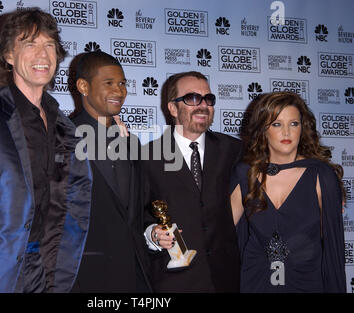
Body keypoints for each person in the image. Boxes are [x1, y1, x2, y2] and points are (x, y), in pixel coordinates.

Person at [0, 8, 92, 293]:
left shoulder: (66, 127)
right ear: (9, 55)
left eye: (49, 45)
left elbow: (73, 202)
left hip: (50, 273)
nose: (43, 55)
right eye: (29, 44)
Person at [230, 91, 346, 292]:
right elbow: (222, 234)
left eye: (294, 124)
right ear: (263, 130)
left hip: (306, 281)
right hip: (255, 281)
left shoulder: (320, 175)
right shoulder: (245, 173)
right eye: (277, 124)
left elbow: (332, 248)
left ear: (303, 128)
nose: (287, 132)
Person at [143, 71, 241, 292]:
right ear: (172, 108)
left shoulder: (234, 151)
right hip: (172, 283)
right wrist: (153, 234)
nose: (203, 105)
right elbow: (137, 217)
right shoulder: (148, 158)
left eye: (208, 99)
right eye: (193, 98)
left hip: (226, 281)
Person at [70, 51, 152, 292]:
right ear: (84, 86)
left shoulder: (131, 143)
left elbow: (138, 207)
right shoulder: (62, 138)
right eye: (109, 83)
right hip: (83, 277)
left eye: (122, 83)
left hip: (133, 276)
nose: (119, 91)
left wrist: (152, 232)